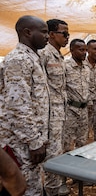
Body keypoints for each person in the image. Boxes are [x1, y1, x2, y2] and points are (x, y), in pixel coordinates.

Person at [0, 15, 50, 196]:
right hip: (20, 143)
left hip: (28, 139)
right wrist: (34, 141)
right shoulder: (18, 59)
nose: (47, 36)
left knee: (33, 185)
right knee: (25, 189)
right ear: (27, 32)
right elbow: (18, 105)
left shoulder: (32, 58)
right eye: (44, 32)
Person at [38, 18, 70, 196]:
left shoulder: (59, 55)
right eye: (64, 33)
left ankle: (52, 190)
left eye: (68, 34)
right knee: (52, 157)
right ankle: (50, 192)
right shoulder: (43, 54)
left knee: (57, 155)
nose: (67, 37)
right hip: (49, 118)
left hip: (60, 115)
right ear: (51, 34)